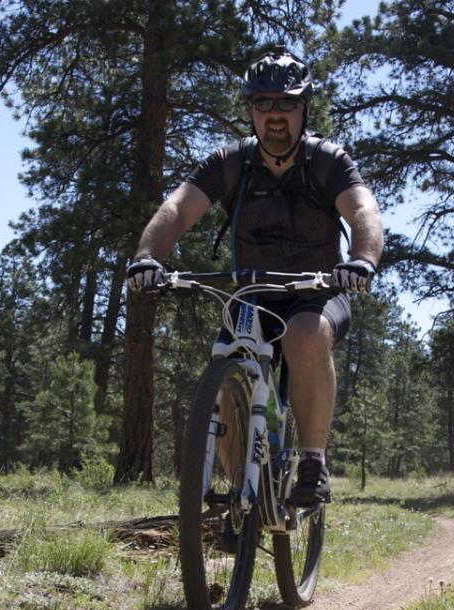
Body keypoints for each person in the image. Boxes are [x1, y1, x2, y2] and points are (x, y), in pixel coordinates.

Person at [126, 47, 384, 504]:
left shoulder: (327, 161)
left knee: (305, 335)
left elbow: (363, 209)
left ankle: (312, 462)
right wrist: (148, 256)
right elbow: (178, 208)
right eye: (264, 104)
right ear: (250, 111)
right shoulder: (231, 162)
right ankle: (239, 498)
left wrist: (362, 259)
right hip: (253, 294)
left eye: (287, 103)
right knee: (227, 355)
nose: (276, 115)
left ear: (304, 110)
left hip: (318, 291)